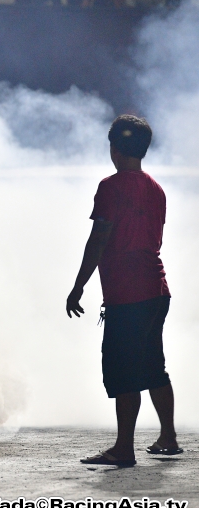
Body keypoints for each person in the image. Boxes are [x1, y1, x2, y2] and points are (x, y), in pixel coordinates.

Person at [66, 115, 180, 467]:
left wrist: (78, 286)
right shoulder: (156, 188)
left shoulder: (111, 187)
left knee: (123, 371)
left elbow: (98, 239)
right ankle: (167, 438)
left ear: (114, 149)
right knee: (153, 367)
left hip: (128, 296)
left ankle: (123, 449)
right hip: (157, 290)